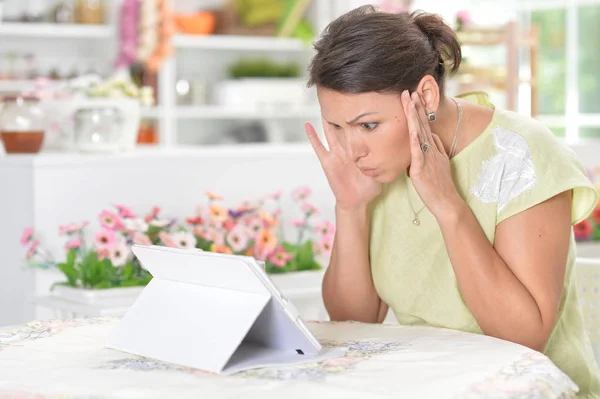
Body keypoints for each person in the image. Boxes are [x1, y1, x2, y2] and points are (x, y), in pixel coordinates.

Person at [304, 5, 600, 398]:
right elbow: (352, 321)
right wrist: (352, 207)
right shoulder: (379, 165)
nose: (350, 150)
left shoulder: (519, 154)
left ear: (425, 94)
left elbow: (523, 339)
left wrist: (448, 205)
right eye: (337, 127)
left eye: (368, 125)